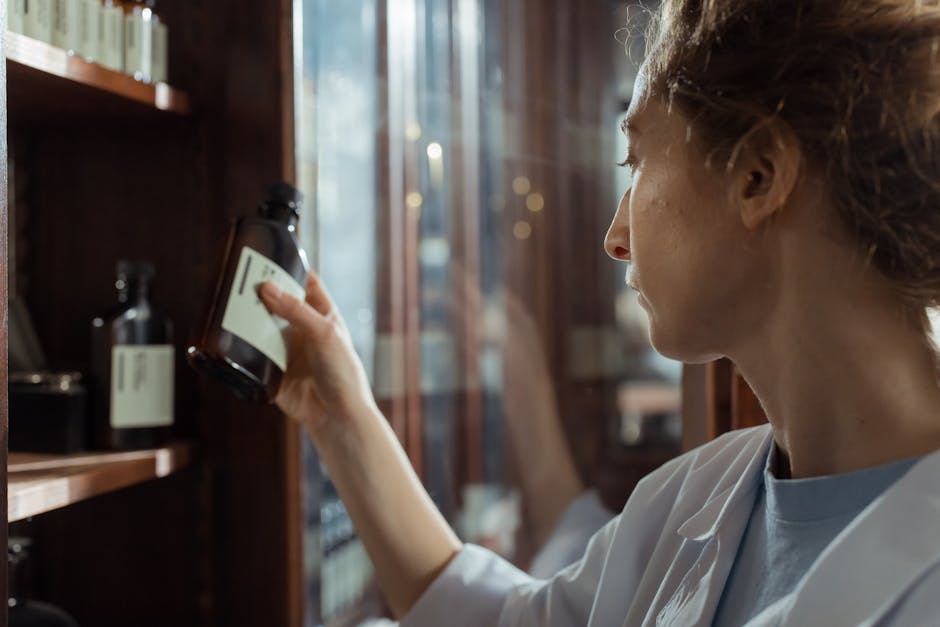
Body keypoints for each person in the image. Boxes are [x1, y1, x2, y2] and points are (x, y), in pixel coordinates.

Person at [259, 0, 940, 624]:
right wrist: (338, 406)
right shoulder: (695, 499)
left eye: (637, 157)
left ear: (757, 176)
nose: (615, 236)